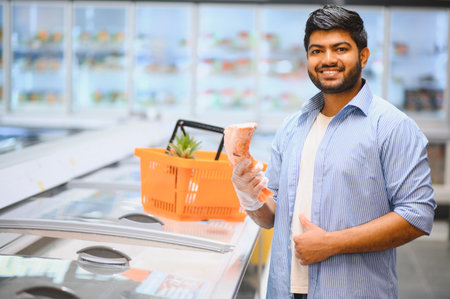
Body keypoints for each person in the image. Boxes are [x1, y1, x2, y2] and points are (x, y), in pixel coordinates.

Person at [231, 5, 436, 299]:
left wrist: (332, 243)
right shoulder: (291, 127)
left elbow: (417, 214)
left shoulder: (392, 127)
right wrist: (249, 197)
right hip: (283, 290)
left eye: (340, 48)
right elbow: (272, 217)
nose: (328, 60)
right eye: (317, 51)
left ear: (363, 56)